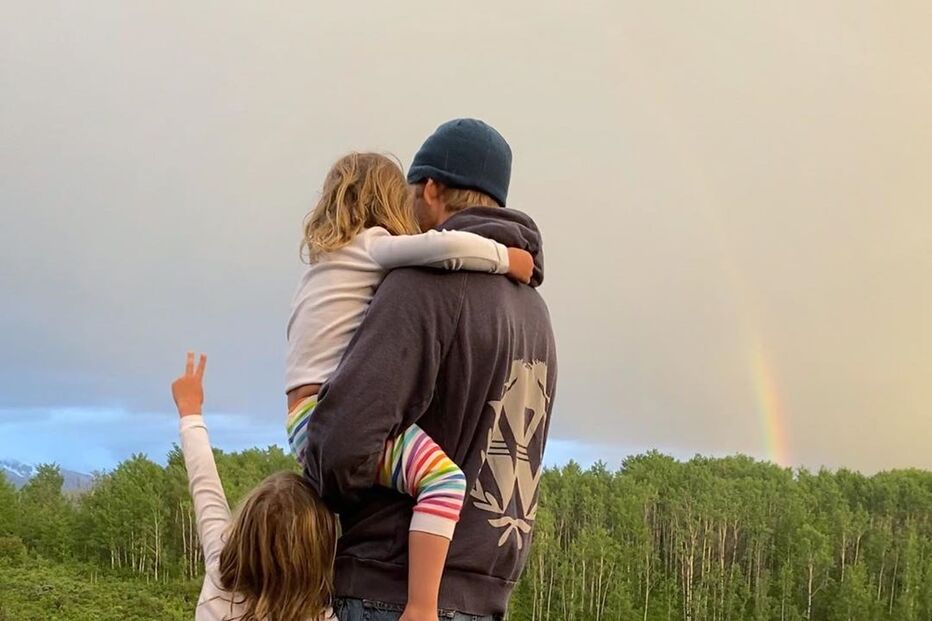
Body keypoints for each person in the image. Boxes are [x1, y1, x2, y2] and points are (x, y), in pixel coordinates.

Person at [303, 119, 558, 621]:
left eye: (411, 195)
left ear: (432, 188)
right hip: (483, 599)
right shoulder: (535, 312)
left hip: (387, 593)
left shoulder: (421, 284)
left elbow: (340, 447)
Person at [171, 352, 337, 621]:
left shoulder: (219, 574)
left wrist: (190, 411)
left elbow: (205, 488)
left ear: (242, 534)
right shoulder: (321, 615)